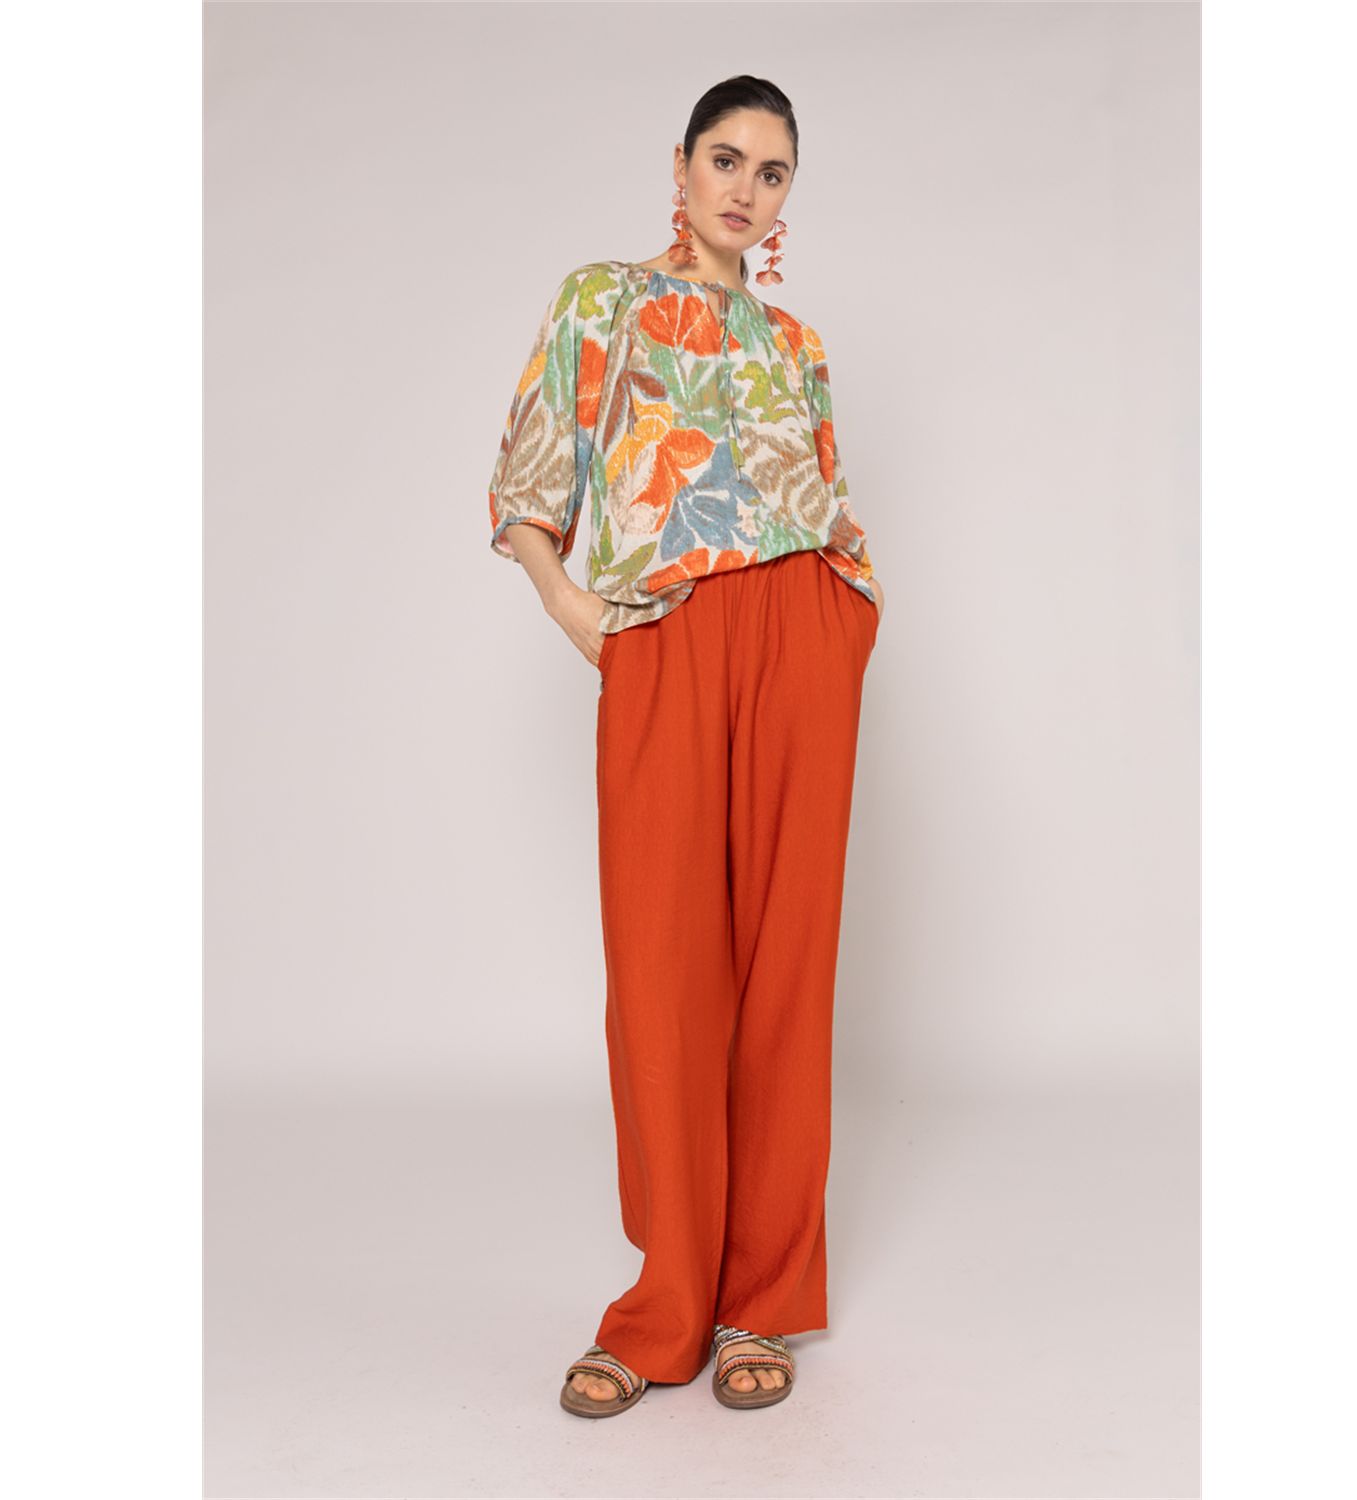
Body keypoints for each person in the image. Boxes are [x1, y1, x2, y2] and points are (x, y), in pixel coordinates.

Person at [485, 75, 884, 1418]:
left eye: (772, 173)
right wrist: (580, 612)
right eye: (726, 159)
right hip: (668, 634)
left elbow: (825, 494)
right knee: (664, 966)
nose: (745, 190)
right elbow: (529, 485)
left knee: (787, 966)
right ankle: (665, 1306)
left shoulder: (797, 342)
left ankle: (761, 1299)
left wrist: (850, 610)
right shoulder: (603, 301)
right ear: (681, 163)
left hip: (800, 639)